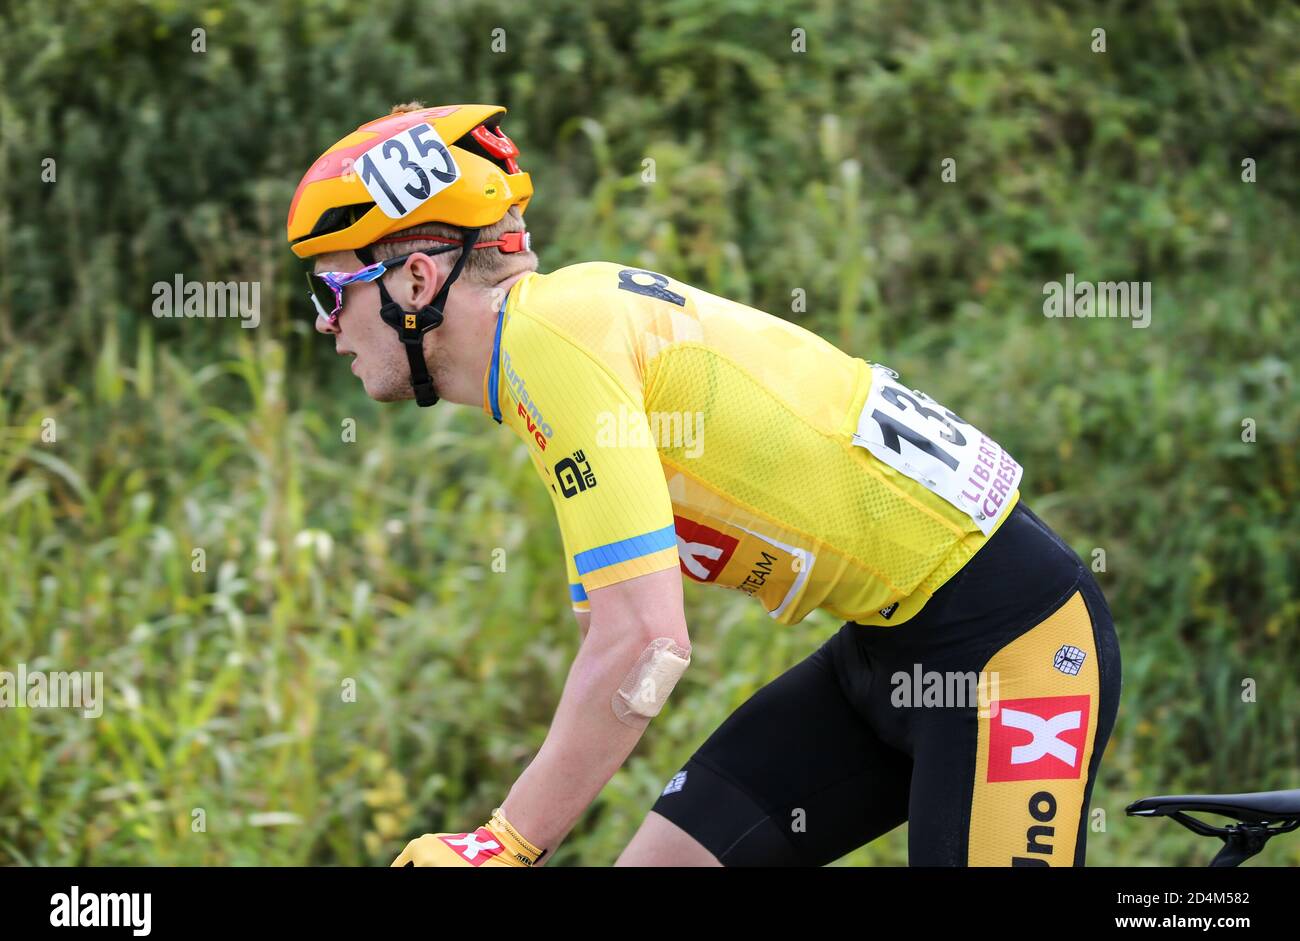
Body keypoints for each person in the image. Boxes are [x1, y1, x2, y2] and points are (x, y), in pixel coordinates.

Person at [287, 101, 1121, 867]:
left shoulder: (553, 347)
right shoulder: (552, 343)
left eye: (331, 289)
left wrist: (504, 844)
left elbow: (648, 644)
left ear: (417, 284)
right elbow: (609, 641)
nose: (326, 324)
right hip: (883, 651)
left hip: (1015, 647)